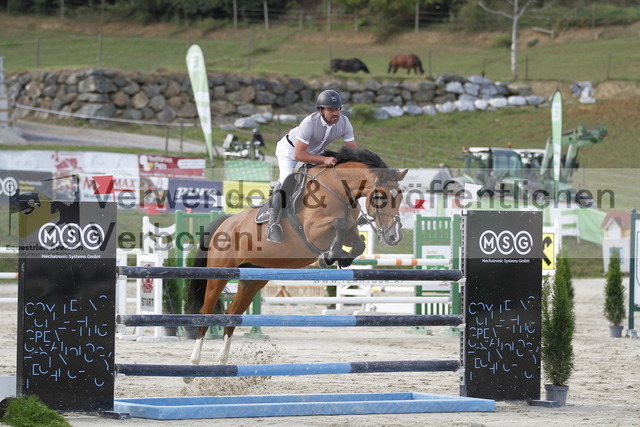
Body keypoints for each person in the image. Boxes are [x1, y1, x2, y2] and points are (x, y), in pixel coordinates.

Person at [267, 89, 358, 243]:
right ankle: (273, 224)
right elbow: (298, 155)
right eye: (331, 110)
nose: (335, 113)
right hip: (290, 150)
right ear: (321, 110)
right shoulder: (309, 122)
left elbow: (353, 151)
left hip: (314, 152)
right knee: (285, 180)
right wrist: (324, 159)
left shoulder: (344, 122)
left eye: (338, 109)